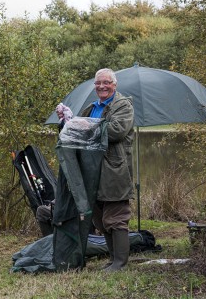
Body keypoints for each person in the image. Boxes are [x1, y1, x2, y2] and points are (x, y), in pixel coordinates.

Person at [57, 68, 134, 272]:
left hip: (114, 170)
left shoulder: (123, 105)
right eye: (98, 83)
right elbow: (75, 132)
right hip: (92, 171)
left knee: (116, 216)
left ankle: (120, 263)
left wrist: (86, 125)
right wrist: (67, 120)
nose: (102, 86)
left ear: (114, 85)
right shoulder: (91, 108)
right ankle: (113, 259)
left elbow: (117, 131)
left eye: (106, 82)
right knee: (100, 218)